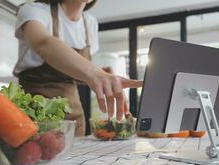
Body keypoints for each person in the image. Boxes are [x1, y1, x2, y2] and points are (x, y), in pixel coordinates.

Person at [13, 0, 142, 136]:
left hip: (73, 110)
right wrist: (95, 73)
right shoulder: (33, 10)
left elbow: (78, 68)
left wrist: (106, 77)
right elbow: (43, 44)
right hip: (36, 108)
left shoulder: (90, 23)